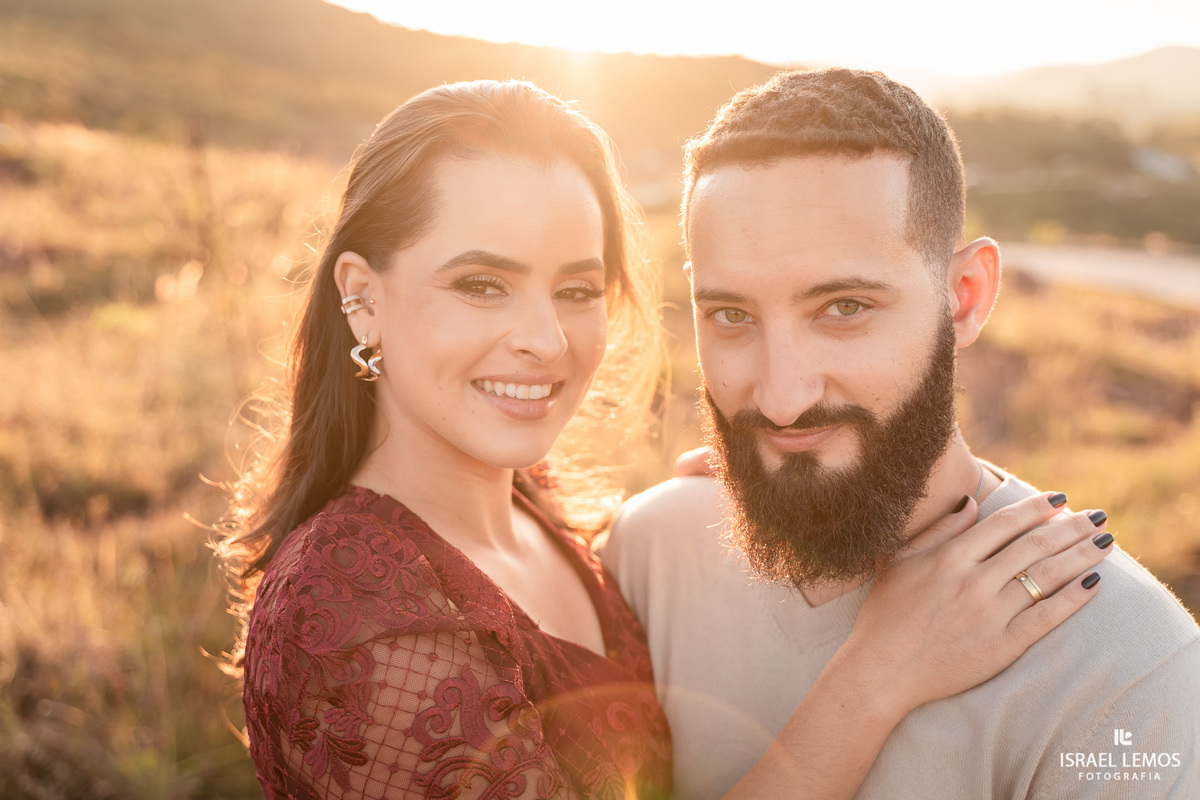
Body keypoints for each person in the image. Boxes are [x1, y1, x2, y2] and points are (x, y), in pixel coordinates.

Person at [214, 79, 1109, 800]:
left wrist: (762, 482)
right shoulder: (360, 625)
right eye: (482, 285)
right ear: (364, 297)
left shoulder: (547, 525)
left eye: (575, 289)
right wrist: (877, 675)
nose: (545, 339)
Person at [601, 68, 1200, 799]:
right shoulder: (651, 552)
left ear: (964, 297)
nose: (783, 400)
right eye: (731, 315)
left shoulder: (1124, 667)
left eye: (844, 307)